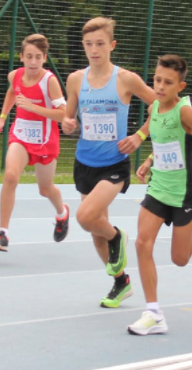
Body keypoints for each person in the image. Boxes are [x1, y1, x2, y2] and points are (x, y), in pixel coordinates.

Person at [61, 17, 156, 308]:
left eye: (100, 44)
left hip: (114, 164)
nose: (94, 49)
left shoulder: (125, 79)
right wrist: (67, 123)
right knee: (95, 227)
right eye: (89, 44)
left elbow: (162, 107)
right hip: (84, 162)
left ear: (112, 45)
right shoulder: (76, 79)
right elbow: (69, 115)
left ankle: (118, 238)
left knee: (85, 217)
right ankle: (121, 282)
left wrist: (140, 135)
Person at [126, 54, 192, 335]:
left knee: (180, 259)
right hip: (158, 189)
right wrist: (148, 160)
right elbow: (162, 139)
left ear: (180, 86)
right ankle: (153, 313)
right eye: (157, 79)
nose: (160, 86)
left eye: (168, 82)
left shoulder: (184, 112)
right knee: (143, 243)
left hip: (185, 194)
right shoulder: (154, 108)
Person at [0, 34, 69, 251]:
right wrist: (3, 118)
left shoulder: (49, 81)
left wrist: (33, 107)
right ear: (21, 57)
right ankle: (3, 233)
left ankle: (62, 213)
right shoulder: (15, 75)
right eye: (29, 56)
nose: (33, 62)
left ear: (45, 58)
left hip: (45, 139)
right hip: (21, 135)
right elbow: (12, 93)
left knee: (45, 189)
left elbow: (64, 115)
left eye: (38, 57)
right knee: (11, 176)